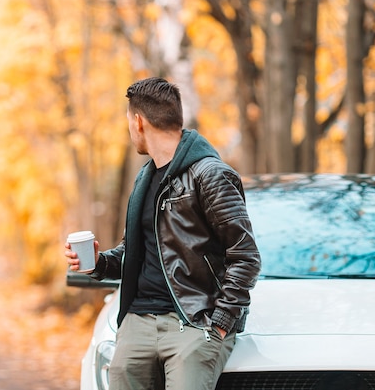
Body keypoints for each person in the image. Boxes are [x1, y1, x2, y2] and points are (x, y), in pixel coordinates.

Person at [65, 77, 261, 390]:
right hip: (137, 324)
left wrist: (221, 323)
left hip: (193, 323)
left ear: (138, 121)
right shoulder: (145, 179)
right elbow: (135, 252)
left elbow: (245, 257)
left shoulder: (210, 174)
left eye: (129, 121)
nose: (130, 129)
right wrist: (98, 264)